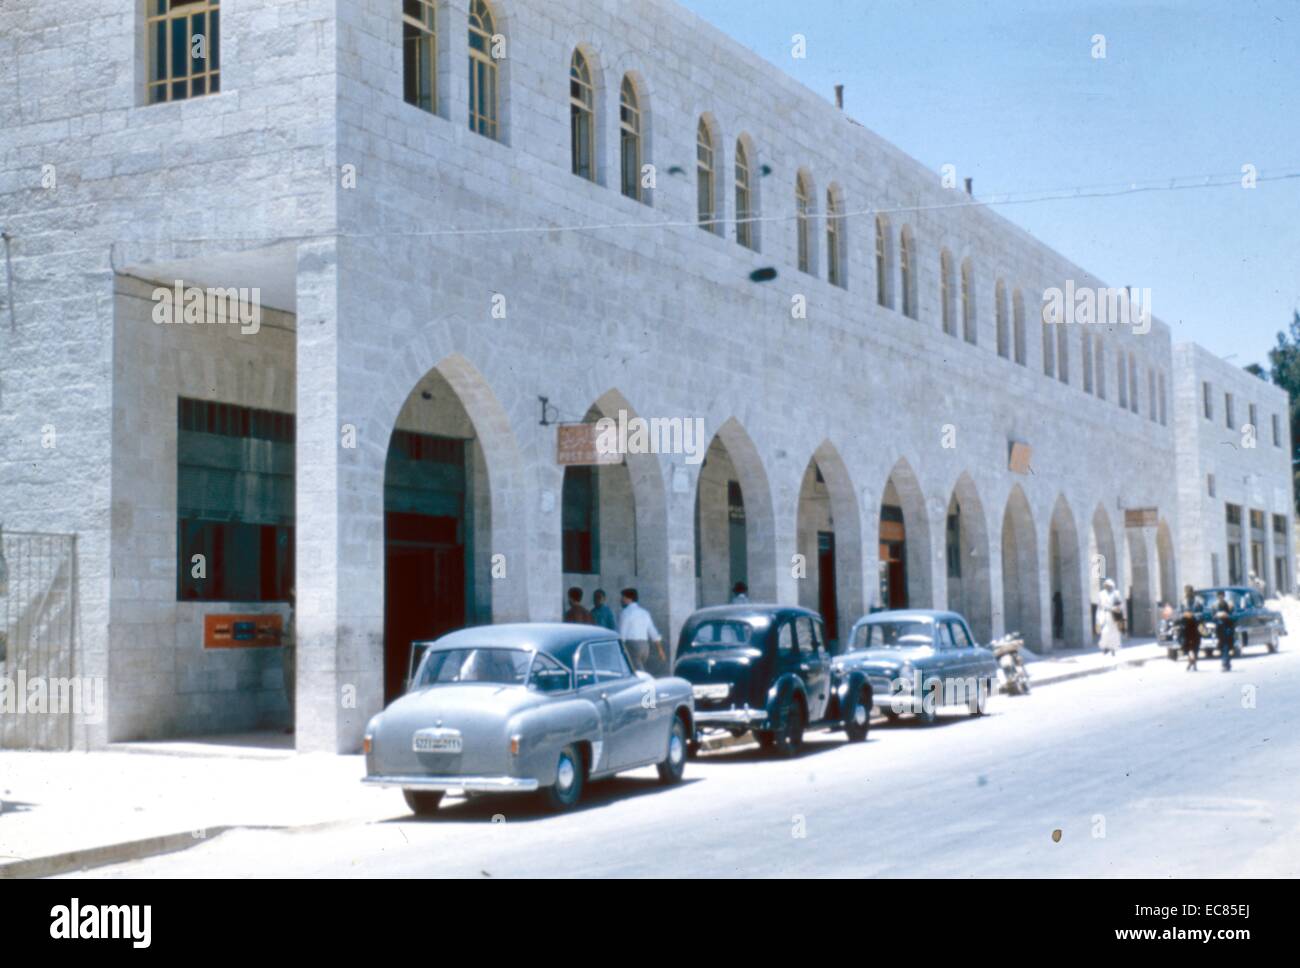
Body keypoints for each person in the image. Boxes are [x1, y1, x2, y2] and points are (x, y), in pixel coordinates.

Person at [618, 587, 664, 674]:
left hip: (632, 645)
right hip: (645, 647)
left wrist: (619, 649)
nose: (621, 600)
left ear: (629, 599)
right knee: (637, 669)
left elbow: (622, 634)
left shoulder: (626, 612)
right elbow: (653, 632)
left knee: (638, 672)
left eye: (623, 598)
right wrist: (660, 650)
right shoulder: (644, 612)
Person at [1096, 578, 1124, 657]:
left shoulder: (1116, 593)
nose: (1108, 587)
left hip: (1114, 616)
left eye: (1109, 586)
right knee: (1105, 632)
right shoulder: (1101, 594)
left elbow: (1119, 605)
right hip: (1105, 615)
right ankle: (1105, 647)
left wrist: (1117, 611)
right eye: (1106, 585)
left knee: (1114, 634)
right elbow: (1099, 607)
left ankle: (1113, 649)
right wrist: (1098, 618)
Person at [1179, 584, 1202, 671]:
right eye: (1186, 592)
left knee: (1195, 645)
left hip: (1195, 626)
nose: (1187, 594)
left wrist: (1193, 615)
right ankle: (1191, 660)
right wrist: (1184, 615)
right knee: (1186, 645)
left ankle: (1194, 662)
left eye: (1189, 592)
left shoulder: (1198, 602)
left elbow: (1201, 613)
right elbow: (1179, 613)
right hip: (1186, 626)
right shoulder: (1183, 602)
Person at [282, 587, 296, 734]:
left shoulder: (296, 615)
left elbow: (291, 638)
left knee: (292, 690)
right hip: (294, 654)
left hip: (293, 656)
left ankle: (295, 724)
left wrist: (279, 637)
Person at [1213, 591, 1236, 672]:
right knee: (1223, 646)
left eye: (1221, 596)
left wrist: (1227, 615)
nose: (1220, 598)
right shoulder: (1214, 606)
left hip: (1227, 627)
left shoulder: (1229, 605)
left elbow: (1234, 616)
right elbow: (1212, 617)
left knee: (1226, 645)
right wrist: (1217, 615)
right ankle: (1227, 663)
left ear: (1224, 596)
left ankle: (1224, 663)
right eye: (1219, 596)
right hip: (1219, 628)